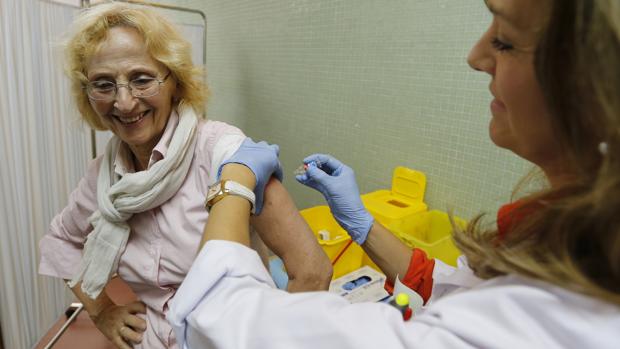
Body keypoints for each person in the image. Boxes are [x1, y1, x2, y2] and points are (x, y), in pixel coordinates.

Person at [167, 0, 620, 347]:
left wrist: (234, 182)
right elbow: (449, 287)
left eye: (504, 39)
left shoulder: (540, 324)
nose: (476, 55)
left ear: (591, 81)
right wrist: (361, 223)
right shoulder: (569, 239)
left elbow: (221, 322)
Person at [37, 3, 331, 349]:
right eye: (103, 84)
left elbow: (312, 272)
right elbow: (60, 241)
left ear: (174, 80)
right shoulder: (103, 177)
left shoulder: (227, 156)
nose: (125, 102)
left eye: (141, 79)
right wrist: (102, 312)